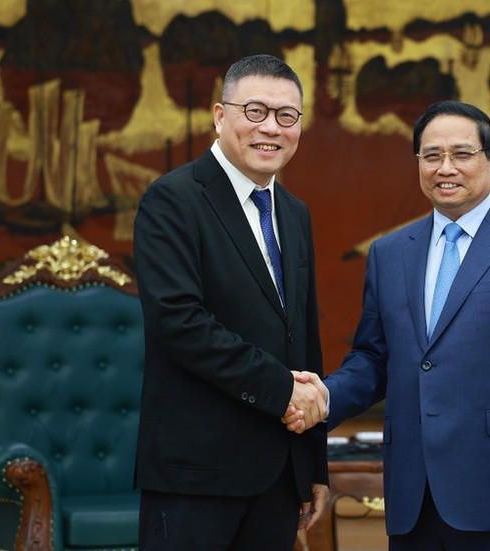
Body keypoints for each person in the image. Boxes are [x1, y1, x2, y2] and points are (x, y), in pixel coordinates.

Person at [287, 100, 490, 550]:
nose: (444, 168)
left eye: (461, 154)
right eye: (431, 156)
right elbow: (374, 358)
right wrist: (322, 398)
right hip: (414, 497)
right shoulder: (390, 253)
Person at [133, 54, 329, 551]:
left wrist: (312, 464)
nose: (272, 128)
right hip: (196, 474)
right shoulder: (172, 199)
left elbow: (302, 337)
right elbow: (179, 322)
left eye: (287, 116)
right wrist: (280, 389)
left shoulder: (294, 212)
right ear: (221, 116)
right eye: (255, 111)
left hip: (279, 477)